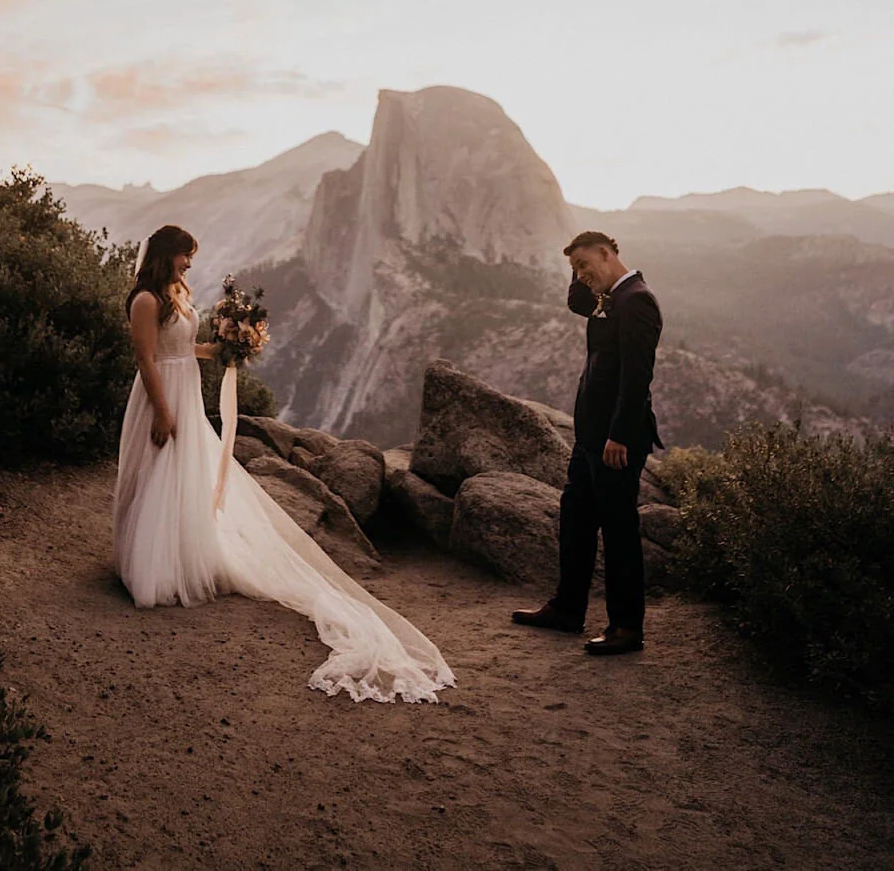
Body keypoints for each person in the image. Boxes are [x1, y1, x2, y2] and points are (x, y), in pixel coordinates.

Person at [113, 224, 454, 702]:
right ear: (167, 255)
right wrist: (163, 411)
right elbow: (147, 359)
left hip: (185, 388)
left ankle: (180, 550)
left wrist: (221, 349)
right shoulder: (145, 301)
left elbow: (179, 349)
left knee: (184, 475)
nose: (189, 264)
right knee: (158, 471)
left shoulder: (173, 294)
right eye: (185, 256)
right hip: (162, 395)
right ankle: (151, 566)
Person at [512, 230, 664, 656]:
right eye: (575, 269)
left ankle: (627, 629)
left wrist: (618, 434)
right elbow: (577, 303)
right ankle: (567, 609)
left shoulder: (636, 300)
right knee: (576, 515)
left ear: (607, 253)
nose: (581, 275)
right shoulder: (607, 297)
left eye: (585, 265)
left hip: (616, 439)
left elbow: (637, 376)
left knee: (618, 530)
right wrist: (579, 271)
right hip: (590, 437)